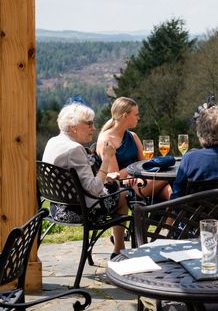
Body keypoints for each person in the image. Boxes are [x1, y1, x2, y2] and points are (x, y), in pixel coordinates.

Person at [42, 101, 129, 257]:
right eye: (89, 124)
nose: (93, 128)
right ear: (74, 127)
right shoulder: (74, 149)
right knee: (123, 194)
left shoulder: (53, 142)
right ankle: (119, 249)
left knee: (113, 186)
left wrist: (104, 178)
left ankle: (119, 247)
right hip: (78, 211)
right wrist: (107, 158)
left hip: (58, 207)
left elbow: (80, 180)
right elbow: (95, 189)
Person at [97, 97, 171, 201]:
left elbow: (144, 163)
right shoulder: (107, 141)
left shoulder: (132, 136)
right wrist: (133, 169)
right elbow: (114, 176)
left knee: (172, 193)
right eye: (136, 115)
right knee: (172, 177)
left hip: (143, 180)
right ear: (125, 116)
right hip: (126, 187)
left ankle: (162, 218)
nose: (138, 118)